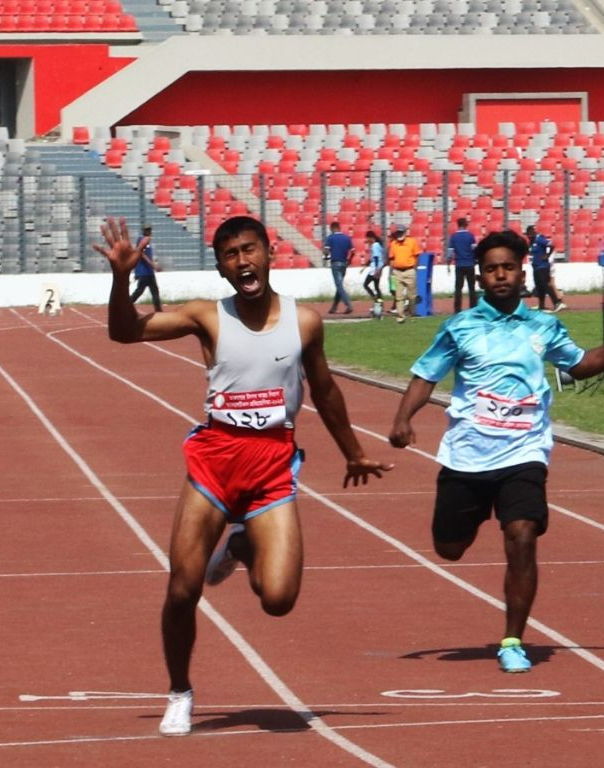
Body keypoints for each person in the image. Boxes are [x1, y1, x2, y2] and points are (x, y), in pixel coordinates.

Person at [98, 215, 391, 737]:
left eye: (249, 250)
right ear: (221, 266)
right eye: (231, 255)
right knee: (183, 588)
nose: (243, 261)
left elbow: (323, 391)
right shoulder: (207, 317)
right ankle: (180, 692)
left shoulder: (303, 322)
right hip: (216, 458)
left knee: (278, 599)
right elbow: (124, 332)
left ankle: (240, 548)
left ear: (269, 253)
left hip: (272, 461)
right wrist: (122, 278)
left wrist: (353, 452)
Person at [388, 230, 604, 673]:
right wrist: (402, 418)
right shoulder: (459, 327)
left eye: (507, 267)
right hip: (467, 453)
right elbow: (426, 375)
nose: (500, 275)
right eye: (491, 269)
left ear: (522, 271)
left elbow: (579, 365)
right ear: (480, 276)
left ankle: (512, 640)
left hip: (524, 450)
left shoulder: (543, 326)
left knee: (522, 537)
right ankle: (470, 522)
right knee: (449, 548)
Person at [526, 225, 565, 313]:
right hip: (535, 267)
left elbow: (551, 245)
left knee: (545, 285)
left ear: (533, 232)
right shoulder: (531, 242)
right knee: (539, 287)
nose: (529, 236)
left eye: (530, 234)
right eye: (528, 235)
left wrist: (547, 255)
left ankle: (557, 303)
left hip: (542, 266)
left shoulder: (539, 239)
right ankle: (541, 305)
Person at [388, 226, 421, 323]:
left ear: (405, 233)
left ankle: (412, 313)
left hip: (409, 270)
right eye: (398, 232)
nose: (399, 234)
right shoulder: (394, 244)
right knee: (399, 296)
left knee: (412, 296)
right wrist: (391, 272)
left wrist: (415, 268)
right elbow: (392, 258)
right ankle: (400, 317)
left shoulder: (412, 242)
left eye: (401, 232)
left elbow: (417, 255)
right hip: (397, 271)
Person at [322, 221, 354, 315]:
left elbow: (326, 251)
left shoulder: (330, 238)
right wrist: (349, 260)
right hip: (344, 263)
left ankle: (348, 304)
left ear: (332, 228)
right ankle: (334, 307)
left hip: (335, 263)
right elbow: (353, 251)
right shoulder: (346, 238)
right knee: (339, 286)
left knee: (339, 285)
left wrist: (326, 255)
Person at [130, 225, 163, 312]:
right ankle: (127, 305)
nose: (149, 232)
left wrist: (154, 265)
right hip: (143, 271)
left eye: (149, 230)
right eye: (147, 230)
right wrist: (153, 265)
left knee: (154, 291)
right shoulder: (141, 240)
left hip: (149, 272)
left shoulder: (148, 242)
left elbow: (148, 255)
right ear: (144, 231)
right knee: (139, 291)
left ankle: (158, 310)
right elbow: (141, 254)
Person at [447, 217, 478, 312]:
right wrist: (476, 260)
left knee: (458, 288)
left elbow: (450, 252)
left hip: (459, 264)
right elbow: (475, 250)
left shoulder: (453, 237)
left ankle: (457, 309)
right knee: (471, 287)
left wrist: (448, 263)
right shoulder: (470, 236)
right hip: (469, 264)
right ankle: (473, 307)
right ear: (466, 225)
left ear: (458, 225)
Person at [362, 230, 386, 318]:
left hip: (375, 269)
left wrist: (376, 269)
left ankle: (376, 299)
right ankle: (379, 302)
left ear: (370, 238)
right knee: (376, 286)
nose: (367, 241)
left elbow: (376, 258)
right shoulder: (378, 245)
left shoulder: (375, 245)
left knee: (365, 285)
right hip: (378, 268)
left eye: (367, 239)